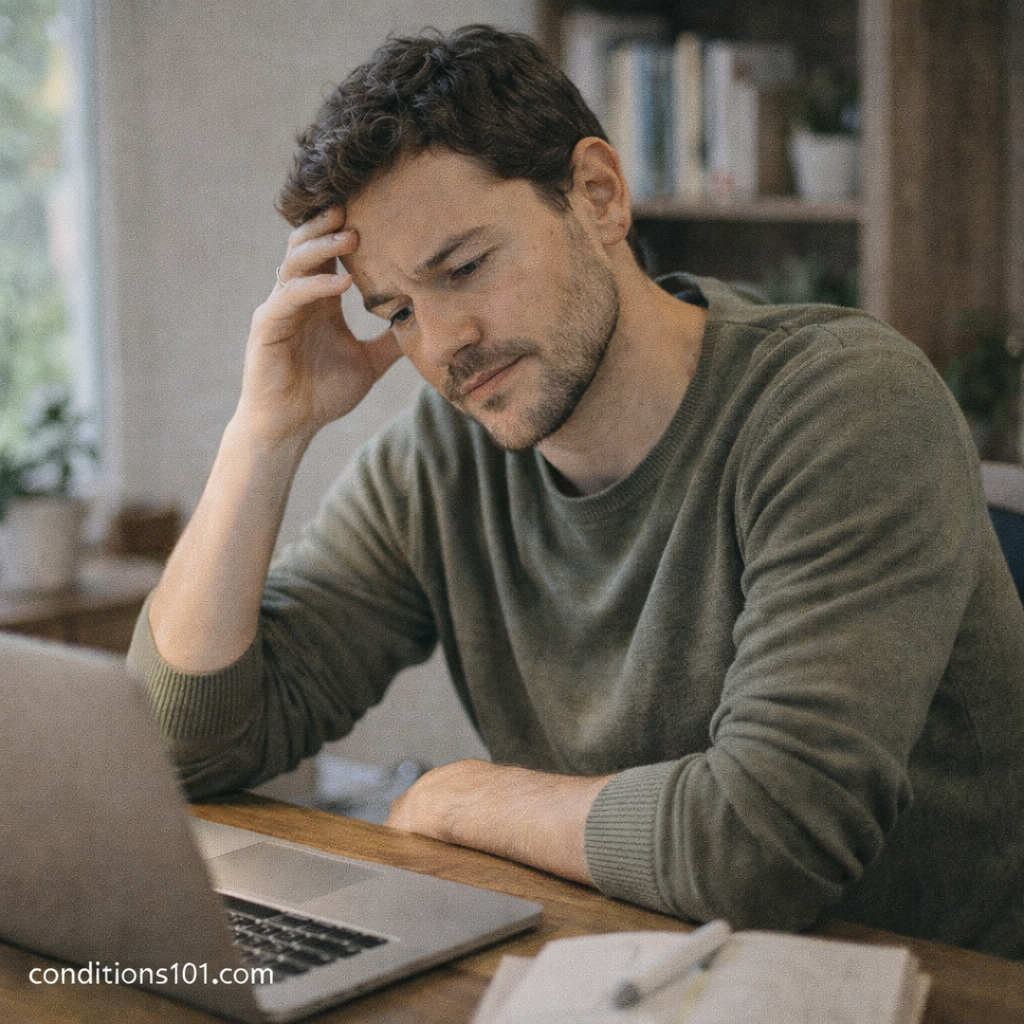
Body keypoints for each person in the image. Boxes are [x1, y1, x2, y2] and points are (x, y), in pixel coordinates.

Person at [130, 24, 1024, 957]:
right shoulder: (444, 456)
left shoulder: (842, 405)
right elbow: (180, 751)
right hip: (628, 966)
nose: (441, 344)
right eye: (397, 310)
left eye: (465, 267)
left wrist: (465, 795)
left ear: (597, 195)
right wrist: (263, 433)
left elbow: (765, 844)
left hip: (921, 986)